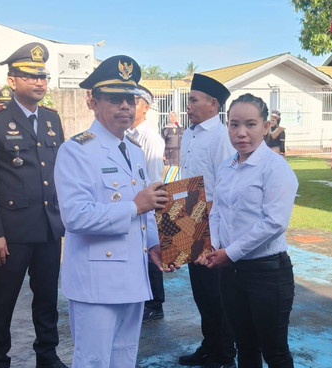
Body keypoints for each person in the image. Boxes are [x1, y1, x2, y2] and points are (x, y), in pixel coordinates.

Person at [55, 55, 173, 367]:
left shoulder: (133, 150)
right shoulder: (76, 150)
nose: (125, 106)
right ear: (91, 102)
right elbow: (76, 216)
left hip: (132, 277)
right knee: (93, 361)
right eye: (114, 99)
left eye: (130, 99)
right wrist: (134, 206)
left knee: (124, 358)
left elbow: (147, 206)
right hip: (96, 282)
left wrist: (154, 245)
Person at [0, 42, 67, 368]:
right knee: (2, 303)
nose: (39, 82)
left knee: (47, 299)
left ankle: (47, 357)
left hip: (49, 229)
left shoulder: (52, 119)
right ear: (12, 81)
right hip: (11, 234)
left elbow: (58, 174)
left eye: (43, 76)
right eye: (30, 76)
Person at [195, 93, 297, 368]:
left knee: (274, 351)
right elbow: (216, 211)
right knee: (245, 346)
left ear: (266, 127)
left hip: (267, 274)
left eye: (250, 124)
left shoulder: (275, 168)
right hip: (231, 272)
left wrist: (231, 253)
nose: (241, 133)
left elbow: (274, 222)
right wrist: (213, 246)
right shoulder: (227, 167)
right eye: (234, 124)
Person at [179, 73, 237, 368]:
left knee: (217, 294)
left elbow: (225, 187)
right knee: (201, 292)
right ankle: (210, 345)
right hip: (189, 219)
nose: (187, 105)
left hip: (212, 224)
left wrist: (214, 235)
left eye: (193, 100)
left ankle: (224, 353)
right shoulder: (189, 133)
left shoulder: (220, 136)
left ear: (212, 104)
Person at [125, 84, 167, 322]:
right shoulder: (128, 134)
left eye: (134, 102)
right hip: (135, 203)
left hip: (148, 201)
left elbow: (152, 176)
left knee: (152, 251)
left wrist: (149, 202)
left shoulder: (150, 138)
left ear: (146, 107)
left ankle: (155, 303)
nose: (129, 106)